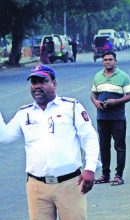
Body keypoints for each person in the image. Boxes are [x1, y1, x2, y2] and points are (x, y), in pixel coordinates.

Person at [0, 64, 100, 219]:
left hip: (69, 184)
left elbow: (89, 138)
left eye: (43, 81)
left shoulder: (71, 107)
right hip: (36, 187)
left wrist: (90, 168)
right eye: (34, 82)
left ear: (54, 83)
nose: (37, 86)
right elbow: (5, 137)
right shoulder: (24, 113)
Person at [91, 51, 130, 186]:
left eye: (110, 59)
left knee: (119, 146)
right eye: (105, 60)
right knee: (103, 146)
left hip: (117, 118)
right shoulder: (98, 76)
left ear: (115, 61)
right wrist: (96, 102)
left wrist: (115, 102)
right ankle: (105, 174)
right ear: (102, 61)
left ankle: (118, 175)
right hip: (102, 117)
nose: (107, 62)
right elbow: (93, 93)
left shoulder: (123, 77)